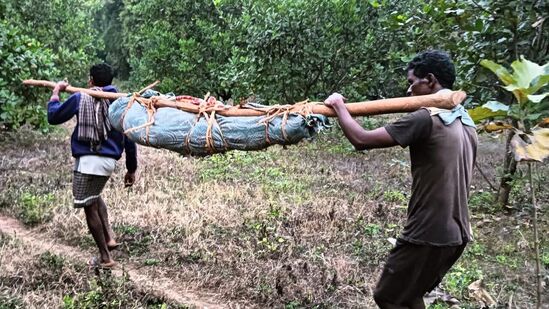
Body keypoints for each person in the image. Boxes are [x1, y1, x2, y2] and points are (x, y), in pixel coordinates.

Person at [324, 50, 477, 309]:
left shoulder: (426, 118)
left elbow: (362, 139)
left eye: (411, 83)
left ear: (429, 81)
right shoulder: (467, 122)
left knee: (388, 297)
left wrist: (338, 105)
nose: (408, 91)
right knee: (409, 295)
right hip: (458, 234)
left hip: (428, 232)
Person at [47, 63, 137, 268]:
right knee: (94, 195)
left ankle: (105, 258)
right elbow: (129, 137)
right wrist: (131, 168)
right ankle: (109, 238)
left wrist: (55, 92)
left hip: (88, 161)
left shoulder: (80, 97)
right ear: (112, 81)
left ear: (91, 80)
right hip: (108, 163)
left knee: (88, 205)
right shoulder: (120, 103)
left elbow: (53, 117)